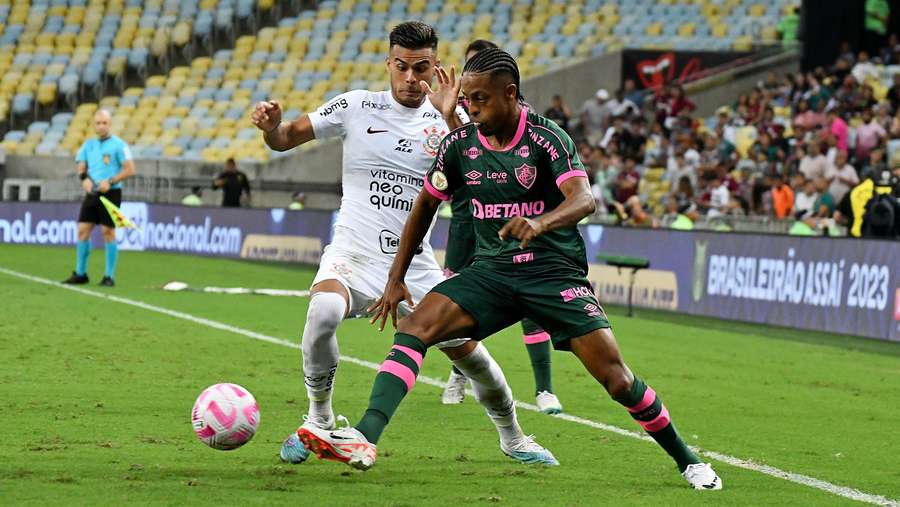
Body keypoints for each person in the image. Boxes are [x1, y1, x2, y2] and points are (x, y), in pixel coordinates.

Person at [297, 47, 722, 490]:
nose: (471, 107)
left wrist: (540, 223)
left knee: (617, 380)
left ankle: (688, 460)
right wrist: (396, 278)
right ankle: (364, 437)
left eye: (479, 99)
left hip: (553, 275)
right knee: (415, 328)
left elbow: (584, 200)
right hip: (493, 273)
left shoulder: (546, 138)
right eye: (466, 99)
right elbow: (424, 205)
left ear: (510, 94)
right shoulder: (460, 144)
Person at [251, 22, 556, 467]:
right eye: (402, 67)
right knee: (323, 312)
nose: (412, 78)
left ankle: (513, 437)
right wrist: (272, 129)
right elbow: (285, 139)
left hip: (416, 267)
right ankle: (319, 418)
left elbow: (482, 183)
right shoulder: (356, 106)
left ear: (435, 67)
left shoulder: (454, 118)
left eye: (421, 68)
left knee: (474, 359)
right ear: (388, 65)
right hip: (353, 253)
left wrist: (452, 118)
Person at [439, 39, 562, 414]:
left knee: (529, 301)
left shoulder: (523, 119)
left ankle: (544, 388)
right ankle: (460, 373)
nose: (472, 101)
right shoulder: (457, 106)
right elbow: (460, 151)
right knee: (456, 301)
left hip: (508, 220)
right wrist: (448, 115)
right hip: (466, 220)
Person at [62, 109, 135, 287]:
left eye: (104, 123)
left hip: (111, 193)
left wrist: (111, 181)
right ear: (94, 125)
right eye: (98, 123)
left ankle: (109, 276)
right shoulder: (88, 145)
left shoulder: (119, 145)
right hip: (92, 194)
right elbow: (81, 168)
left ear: (110, 124)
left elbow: (130, 169)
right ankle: (80, 273)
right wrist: (84, 179)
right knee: (83, 230)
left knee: (108, 232)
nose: (101, 126)